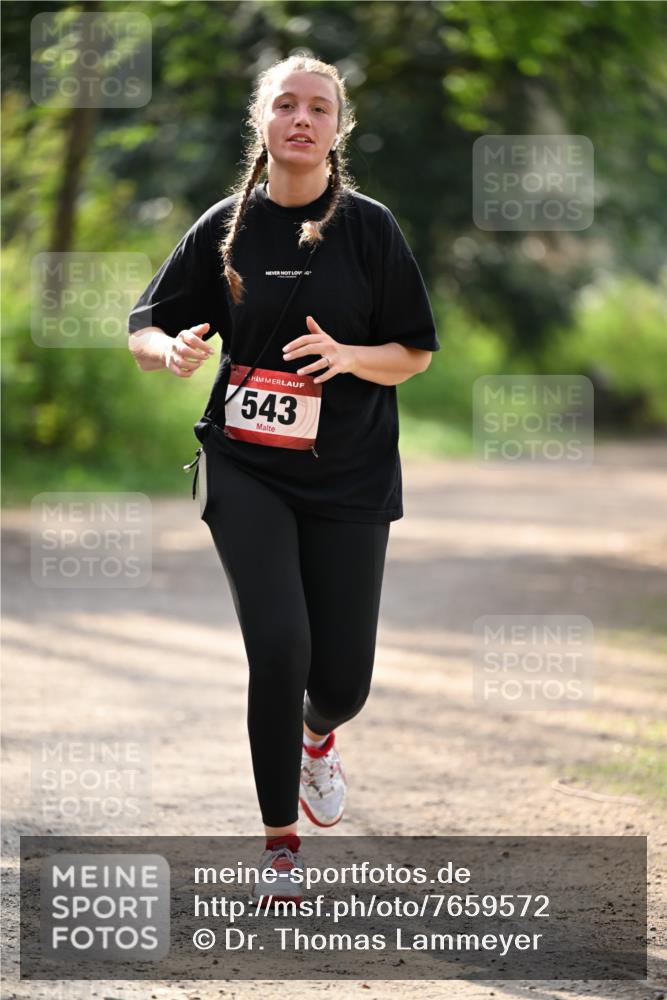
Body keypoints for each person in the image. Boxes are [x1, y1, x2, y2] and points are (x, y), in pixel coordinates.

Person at [128, 53, 440, 904]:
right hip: (245, 466)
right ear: (261, 123)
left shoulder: (370, 229)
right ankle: (278, 845)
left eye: (319, 108)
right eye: (286, 106)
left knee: (340, 683)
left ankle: (317, 735)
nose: (302, 120)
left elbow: (411, 353)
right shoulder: (224, 225)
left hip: (349, 473)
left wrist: (347, 356)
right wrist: (176, 350)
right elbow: (145, 329)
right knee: (279, 646)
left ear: (337, 129)